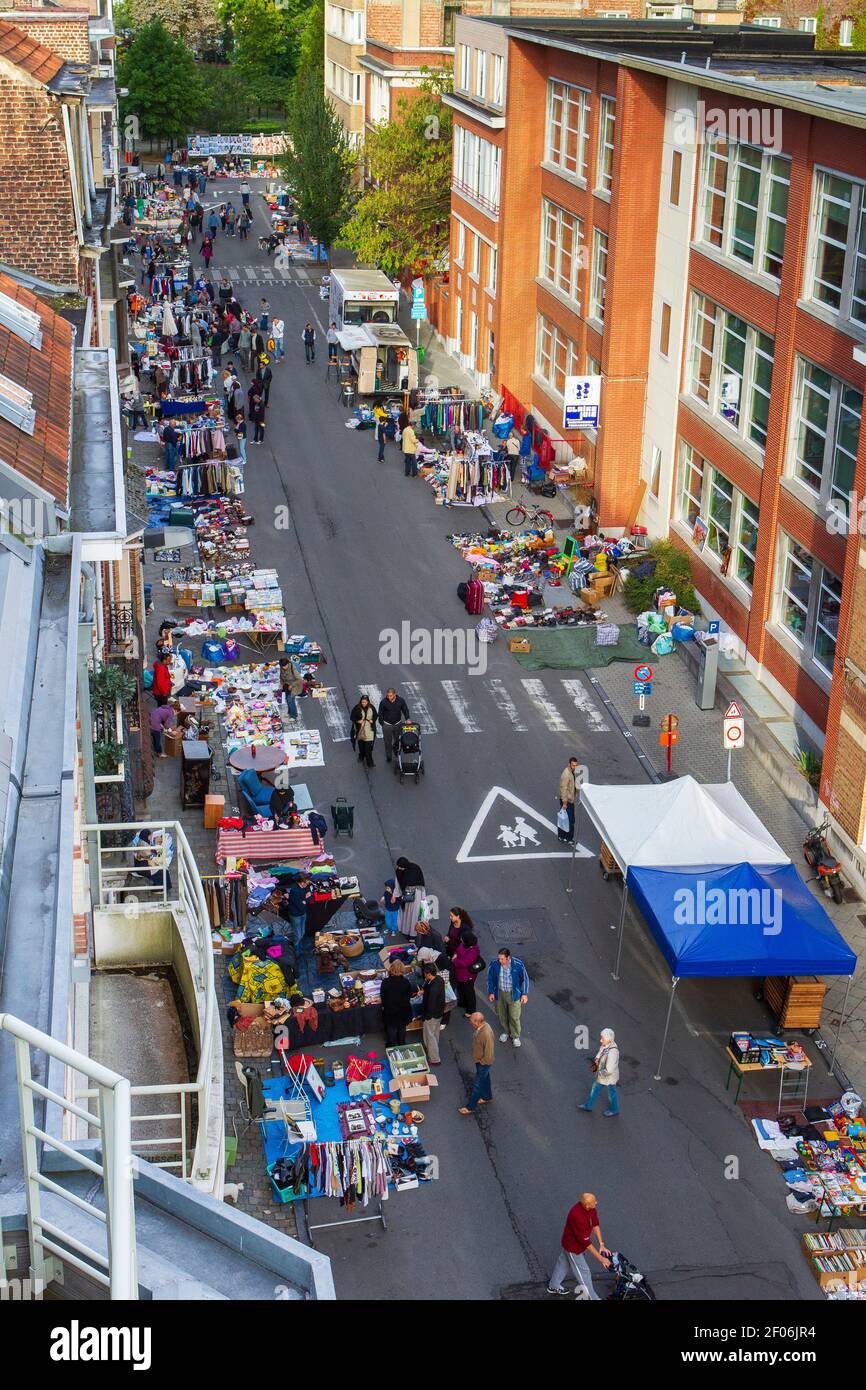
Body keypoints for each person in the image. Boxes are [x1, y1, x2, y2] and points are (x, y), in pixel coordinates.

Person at [547, 1194, 610, 1300]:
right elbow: (587, 1243)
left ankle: (553, 1286)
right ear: (587, 1205)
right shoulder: (577, 1217)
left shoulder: (591, 1209)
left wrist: (601, 1244)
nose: (596, 1202)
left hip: (576, 1243)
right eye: (594, 1202)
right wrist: (601, 1259)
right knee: (584, 1273)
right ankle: (593, 1298)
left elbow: (595, 1224)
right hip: (573, 1247)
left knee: (563, 1262)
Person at [487, 947, 530, 1047]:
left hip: (514, 994)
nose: (499, 961)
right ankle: (506, 1032)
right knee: (502, 1014)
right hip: (500, 993)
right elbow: (490, 978)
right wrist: (491, 992)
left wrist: (524, 994)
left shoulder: (518, 964)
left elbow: (525, 978)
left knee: (514, 1016)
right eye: (499, 958)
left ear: (508, 958)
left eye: (502, 959)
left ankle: (515, 1036)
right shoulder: (494, 964)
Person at [458, 1012, 495, 1115]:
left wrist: (482, 1062)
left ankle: (471, 1107)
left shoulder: (486, 1034)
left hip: (483, 1062)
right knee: (485, 1078)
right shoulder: (482, 1027)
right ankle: (487, 1096)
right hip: (480, 1060)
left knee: (478, 1084)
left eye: (471, 1021)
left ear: (478, 1023)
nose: (470, 1023)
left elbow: (489, 1053)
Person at [578, 1028, 620, 1116]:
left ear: (608, 1039)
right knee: (596, 1089)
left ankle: (614, 1109)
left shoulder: (613, 1053)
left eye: (602, 1038)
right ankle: (588, 1106)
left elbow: (609, 1070)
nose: (601, 1040)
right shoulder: (606, 1045)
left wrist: (599, 1073)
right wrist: (596, 1060)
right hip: (604, 1075)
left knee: (611, 1093)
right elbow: (600, 1052)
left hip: (608, 1076)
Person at [380, 961, 416, 1046]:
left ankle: (391, 1044)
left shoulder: (385, 982)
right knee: (402, 1027)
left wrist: (385, 1006)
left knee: (391, 1027)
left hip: (390, 1009)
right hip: (403, 1009)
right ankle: (402, 1043)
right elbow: (409, 995)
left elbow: (383, 997)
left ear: (391, 969)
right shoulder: (406, 982)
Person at [420, 963, 445, 1066]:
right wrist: (424, 990)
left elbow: (430, 1004)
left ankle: (434, 1058)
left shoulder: (433, 989)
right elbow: (427, 985)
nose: (424, 975)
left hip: (431, 1015)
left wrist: (426, 1016)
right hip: (439, 1013)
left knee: (430, 1036)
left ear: (429, 974)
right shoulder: (438, 979)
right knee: (434, 1034)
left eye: (425, 974)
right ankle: (432, 1051)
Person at [377, 687, 410, 763]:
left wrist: (407, 718)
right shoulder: (383, 702)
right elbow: (380, 713)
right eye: (388, 695)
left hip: (398, 724)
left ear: (395, 694)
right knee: (387, 742)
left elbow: (405, 709)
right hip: (387, 725)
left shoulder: (400, 700)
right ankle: (389, 756)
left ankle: (396, 752)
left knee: (397, 741)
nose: (389, 697)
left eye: (391, 695)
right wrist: (382, 723)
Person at [451, 930, 481, 1015]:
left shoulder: (473, 950)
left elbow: (465, 963)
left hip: (467, 975)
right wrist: (456, 955)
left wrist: (455, 960)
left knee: (468, 992)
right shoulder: (464, 944)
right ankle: (462, 1002)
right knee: (461, 989)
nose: (461, 939)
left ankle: (471, 1010)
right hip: (459, 973)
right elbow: (458, 950)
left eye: (462, 938)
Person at [394, 856, 425, 938]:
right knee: (410, 915)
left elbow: (420, 884)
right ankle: (408, 931)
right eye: (398, 866)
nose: (399, 868)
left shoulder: (414, 869)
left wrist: (396, 895)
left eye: (400, 866)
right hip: (414, 896)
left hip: (411, 897)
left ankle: (411, 933)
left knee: (409, 915)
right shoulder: (413, 869)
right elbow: (420, 883)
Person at [284, 873, 312, 954]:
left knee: (302, 933)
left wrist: (305, 901)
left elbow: (311, 896)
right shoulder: (295, 890)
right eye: (306, 883)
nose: (307, 884)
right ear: (301, 882)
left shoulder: (306, 886)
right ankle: (296, 950)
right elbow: (300, 906)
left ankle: (299, 947)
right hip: (295, 915)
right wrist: (306, 899)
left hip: (303, 913)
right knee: (298, 935)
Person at [349, 694, 377, 768]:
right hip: (360, 730)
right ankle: (361, 756)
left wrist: (372, 720)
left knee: (368, 748)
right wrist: (358, 721)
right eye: (362, 702)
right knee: (361, 746)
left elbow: (375, 715)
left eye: (365, 702)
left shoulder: (372, 708)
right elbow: (352, 717)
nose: (363, 704)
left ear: (368, 702)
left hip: (369, 731)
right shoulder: (357, 708)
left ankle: (370, 763)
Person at [559, 755, 580, 843]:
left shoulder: (572, 772)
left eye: (576, 765)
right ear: (569, 764)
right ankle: (568, 838)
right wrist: (564, 803)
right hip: (567, 800)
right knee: (569, 820)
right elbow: (563, 788)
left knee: (566, 819)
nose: (574, 767)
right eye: (573, 765)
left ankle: (562, 836)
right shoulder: (566, 774)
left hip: (570, 800)